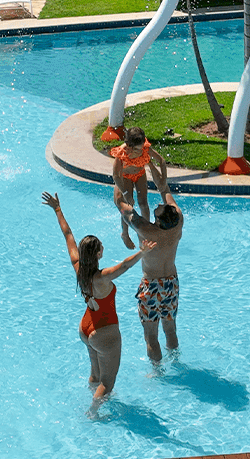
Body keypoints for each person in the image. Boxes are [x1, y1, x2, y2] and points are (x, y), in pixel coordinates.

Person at [42, 191, 144, 412]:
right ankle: (92, 412)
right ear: (98, 254)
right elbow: (124, 266)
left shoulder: (78, 267)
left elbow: (67, 233)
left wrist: (57, 209)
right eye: (101, 248)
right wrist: (142, 252)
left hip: (85, 328)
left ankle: (92, 394)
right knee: (108, 383)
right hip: (104, 332)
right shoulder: (102, 277)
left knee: (96, 374)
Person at [120, 195, 184, 361]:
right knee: (170, 330)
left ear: (158, 221)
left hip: (152, 286)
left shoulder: (145, 229)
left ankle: (157, 372)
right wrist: (161, 184)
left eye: (160, 207)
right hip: (171, 284)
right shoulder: (178, 224)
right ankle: (175, 360)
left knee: (151, 336)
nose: (160, 203)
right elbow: (168, 196)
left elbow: (120, 205)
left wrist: (118, 178)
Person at [109, 126, 169, 249]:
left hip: (140, 174)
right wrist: (126, 193)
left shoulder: (144, 147)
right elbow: (115, 176)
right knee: (127, 207)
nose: (142, 151)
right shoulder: (122, 153)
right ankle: (125, 234)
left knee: (143, 204)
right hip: (125, 177)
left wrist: (163, 180)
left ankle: (145, 233)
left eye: (142, 148)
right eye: (138, 149)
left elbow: (162, 161)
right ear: (129, 146)